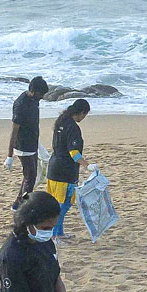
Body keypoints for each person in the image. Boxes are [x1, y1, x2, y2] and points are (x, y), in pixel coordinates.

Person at [47, 98, 90, 239]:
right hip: (65, 172)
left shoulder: (61, 121)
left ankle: (59, 233)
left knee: (57, 204)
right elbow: (74, 152)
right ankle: (54, 235)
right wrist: (87, 165)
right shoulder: (73, 127)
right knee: (63, 205)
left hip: (53, 168)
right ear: (81, 113)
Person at [5, 76, 49, 209]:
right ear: (32, 90)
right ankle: (23, 204)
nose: (42, 97)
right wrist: (9, 156)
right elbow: (14, 131)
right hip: (23, 146)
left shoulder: (34, 100)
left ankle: (18, 203)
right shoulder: (21, 105)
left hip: (33, 143)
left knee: (30, 176)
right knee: (30, 178)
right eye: (41, 94)